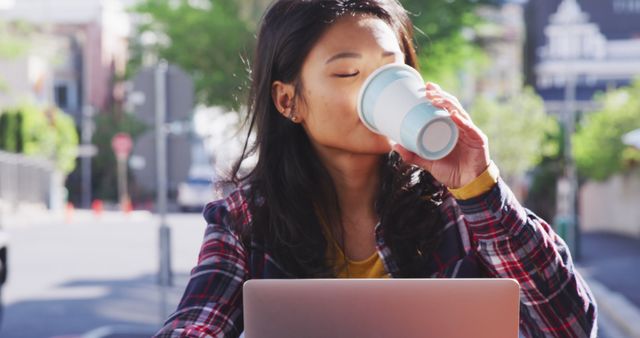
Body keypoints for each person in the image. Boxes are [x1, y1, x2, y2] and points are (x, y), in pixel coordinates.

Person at [154, 0, 597, 337]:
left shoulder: (457, 205)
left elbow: (570, 326)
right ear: (288, 100)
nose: (377, 88)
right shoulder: (246, 219)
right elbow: (196, 324)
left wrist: (480, 187)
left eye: (391, 69)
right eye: (348, 73)